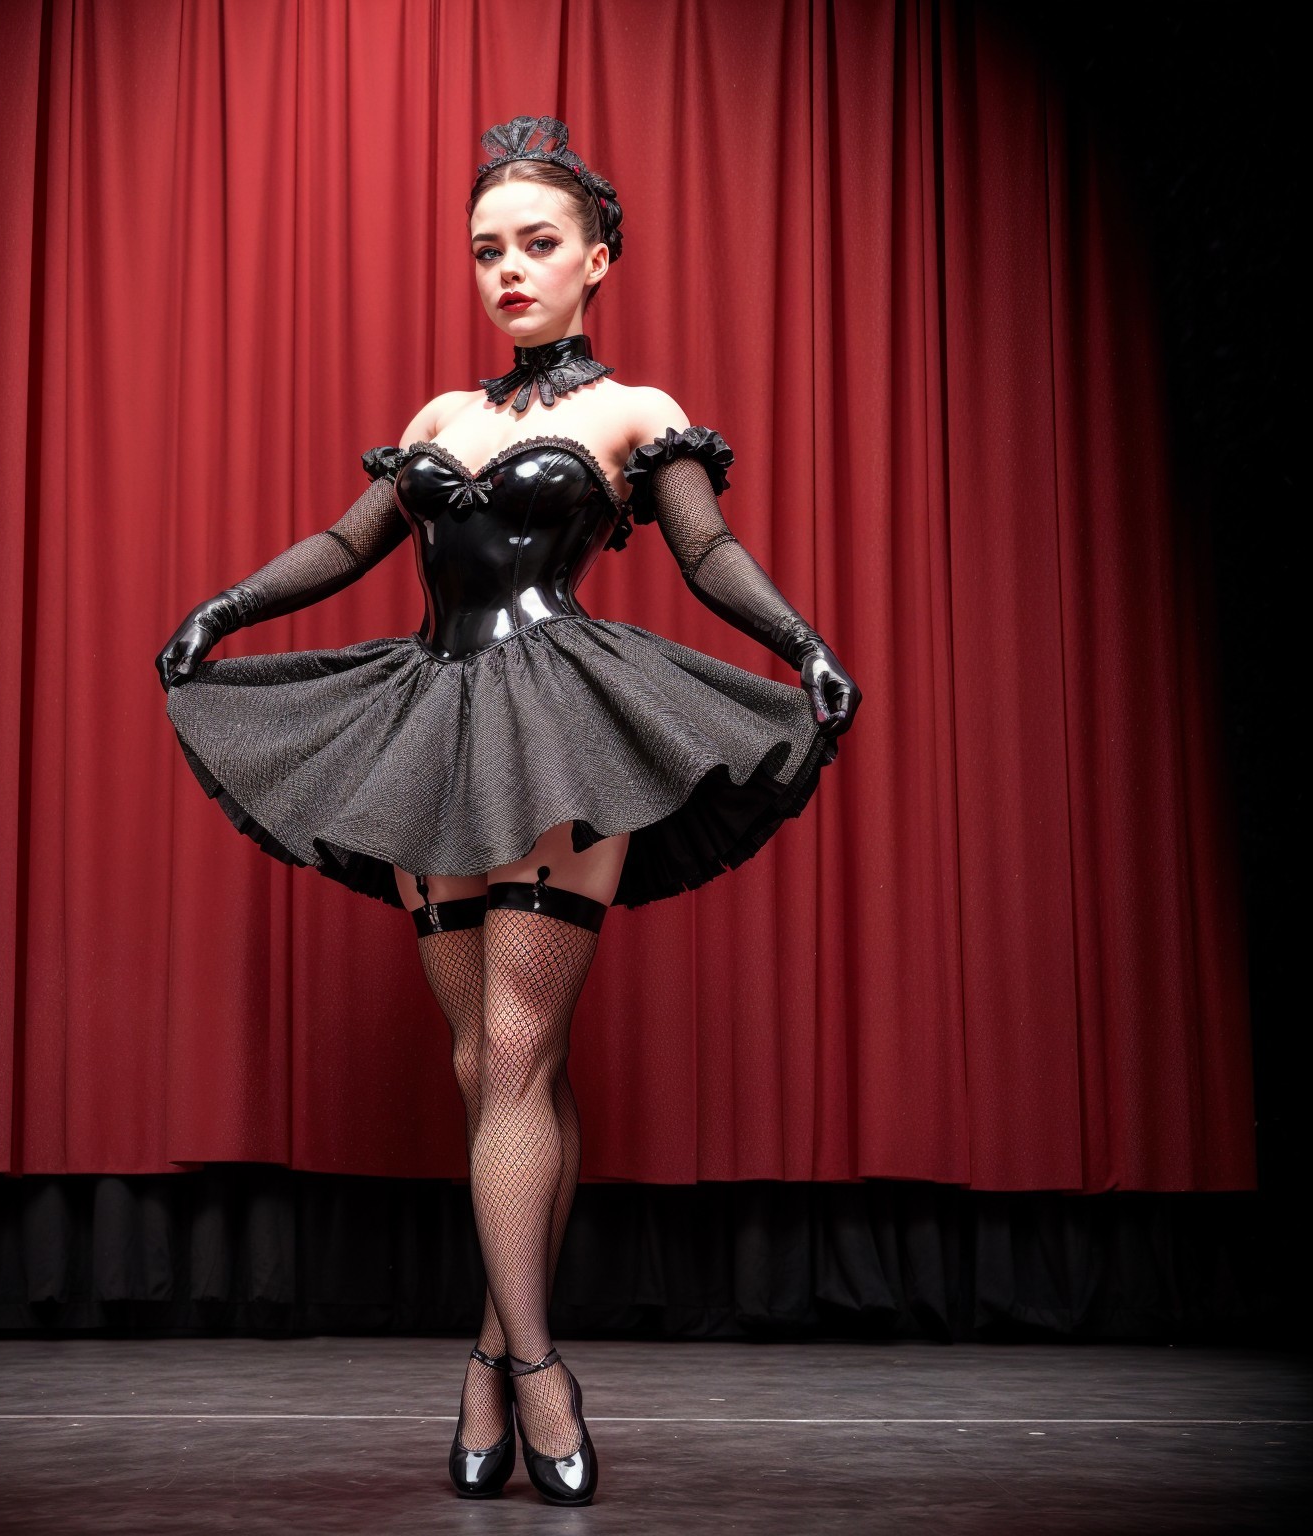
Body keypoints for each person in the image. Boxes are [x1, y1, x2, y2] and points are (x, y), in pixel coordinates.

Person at [155, 113, 861, 1507]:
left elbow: (707, 549)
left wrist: (803, 645)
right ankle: (495, 1351)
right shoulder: (440, 419)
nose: (510, 271)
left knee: (524, 1046)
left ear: (597, 260)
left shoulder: (635, 412)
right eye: (488, 251)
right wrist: (220, 610)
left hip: (559, 730)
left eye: (538, 245)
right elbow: (350, 542)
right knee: (485, 1063)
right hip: (433, 722)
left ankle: (529, 1370)